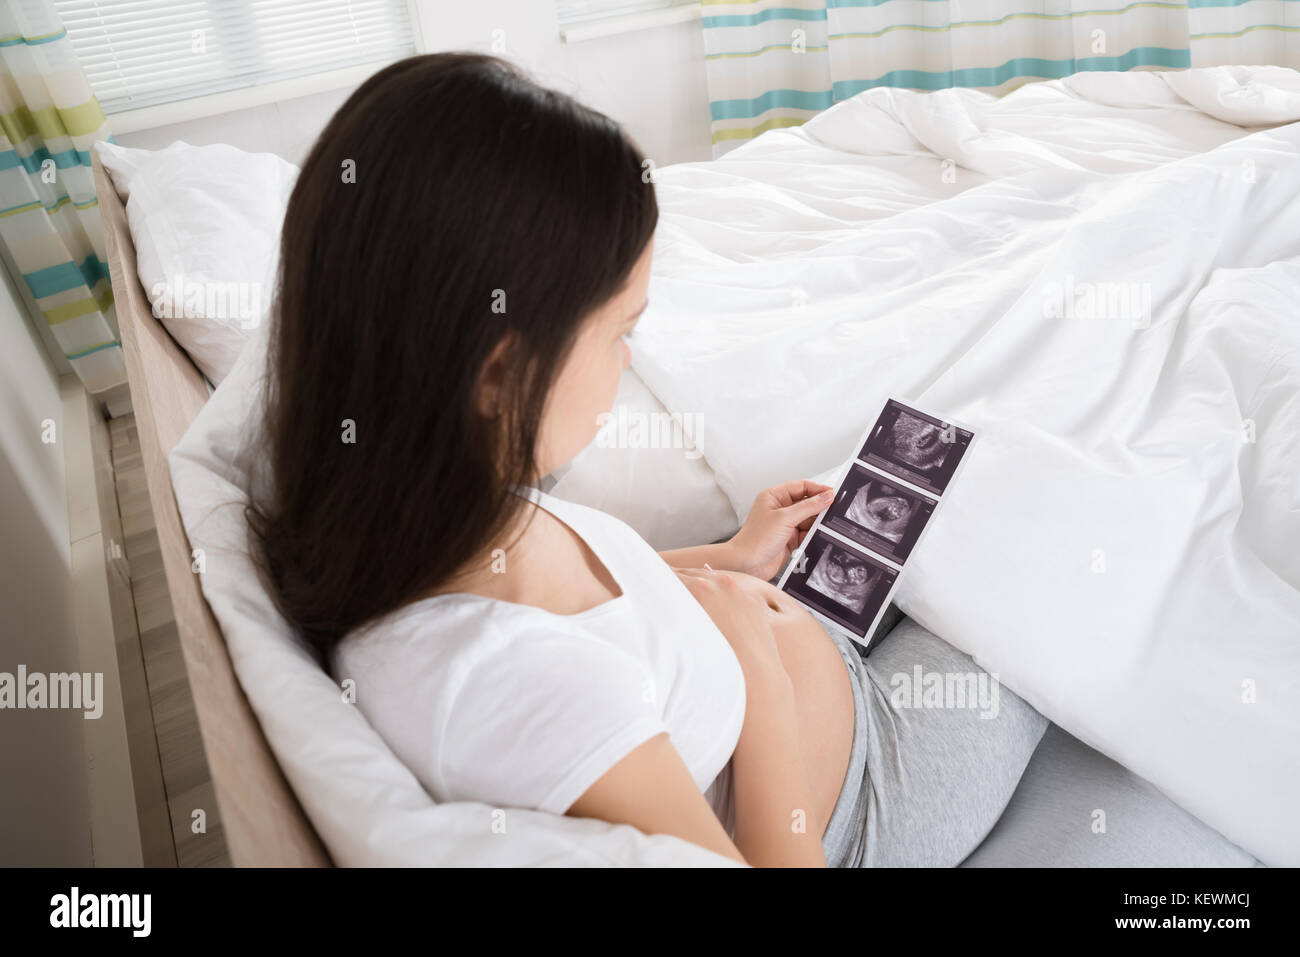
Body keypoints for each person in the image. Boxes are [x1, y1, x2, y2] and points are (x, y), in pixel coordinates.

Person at [248, 52, 1047, 868]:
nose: (630, 360)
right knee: (1049, 555)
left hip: (796, 636)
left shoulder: (440, 511)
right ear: (498, 374)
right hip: (869, 784)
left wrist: (731, 557)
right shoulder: (509, 692)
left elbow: (590, 609)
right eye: (621, 331)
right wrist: (762, 675)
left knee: (979, 456)